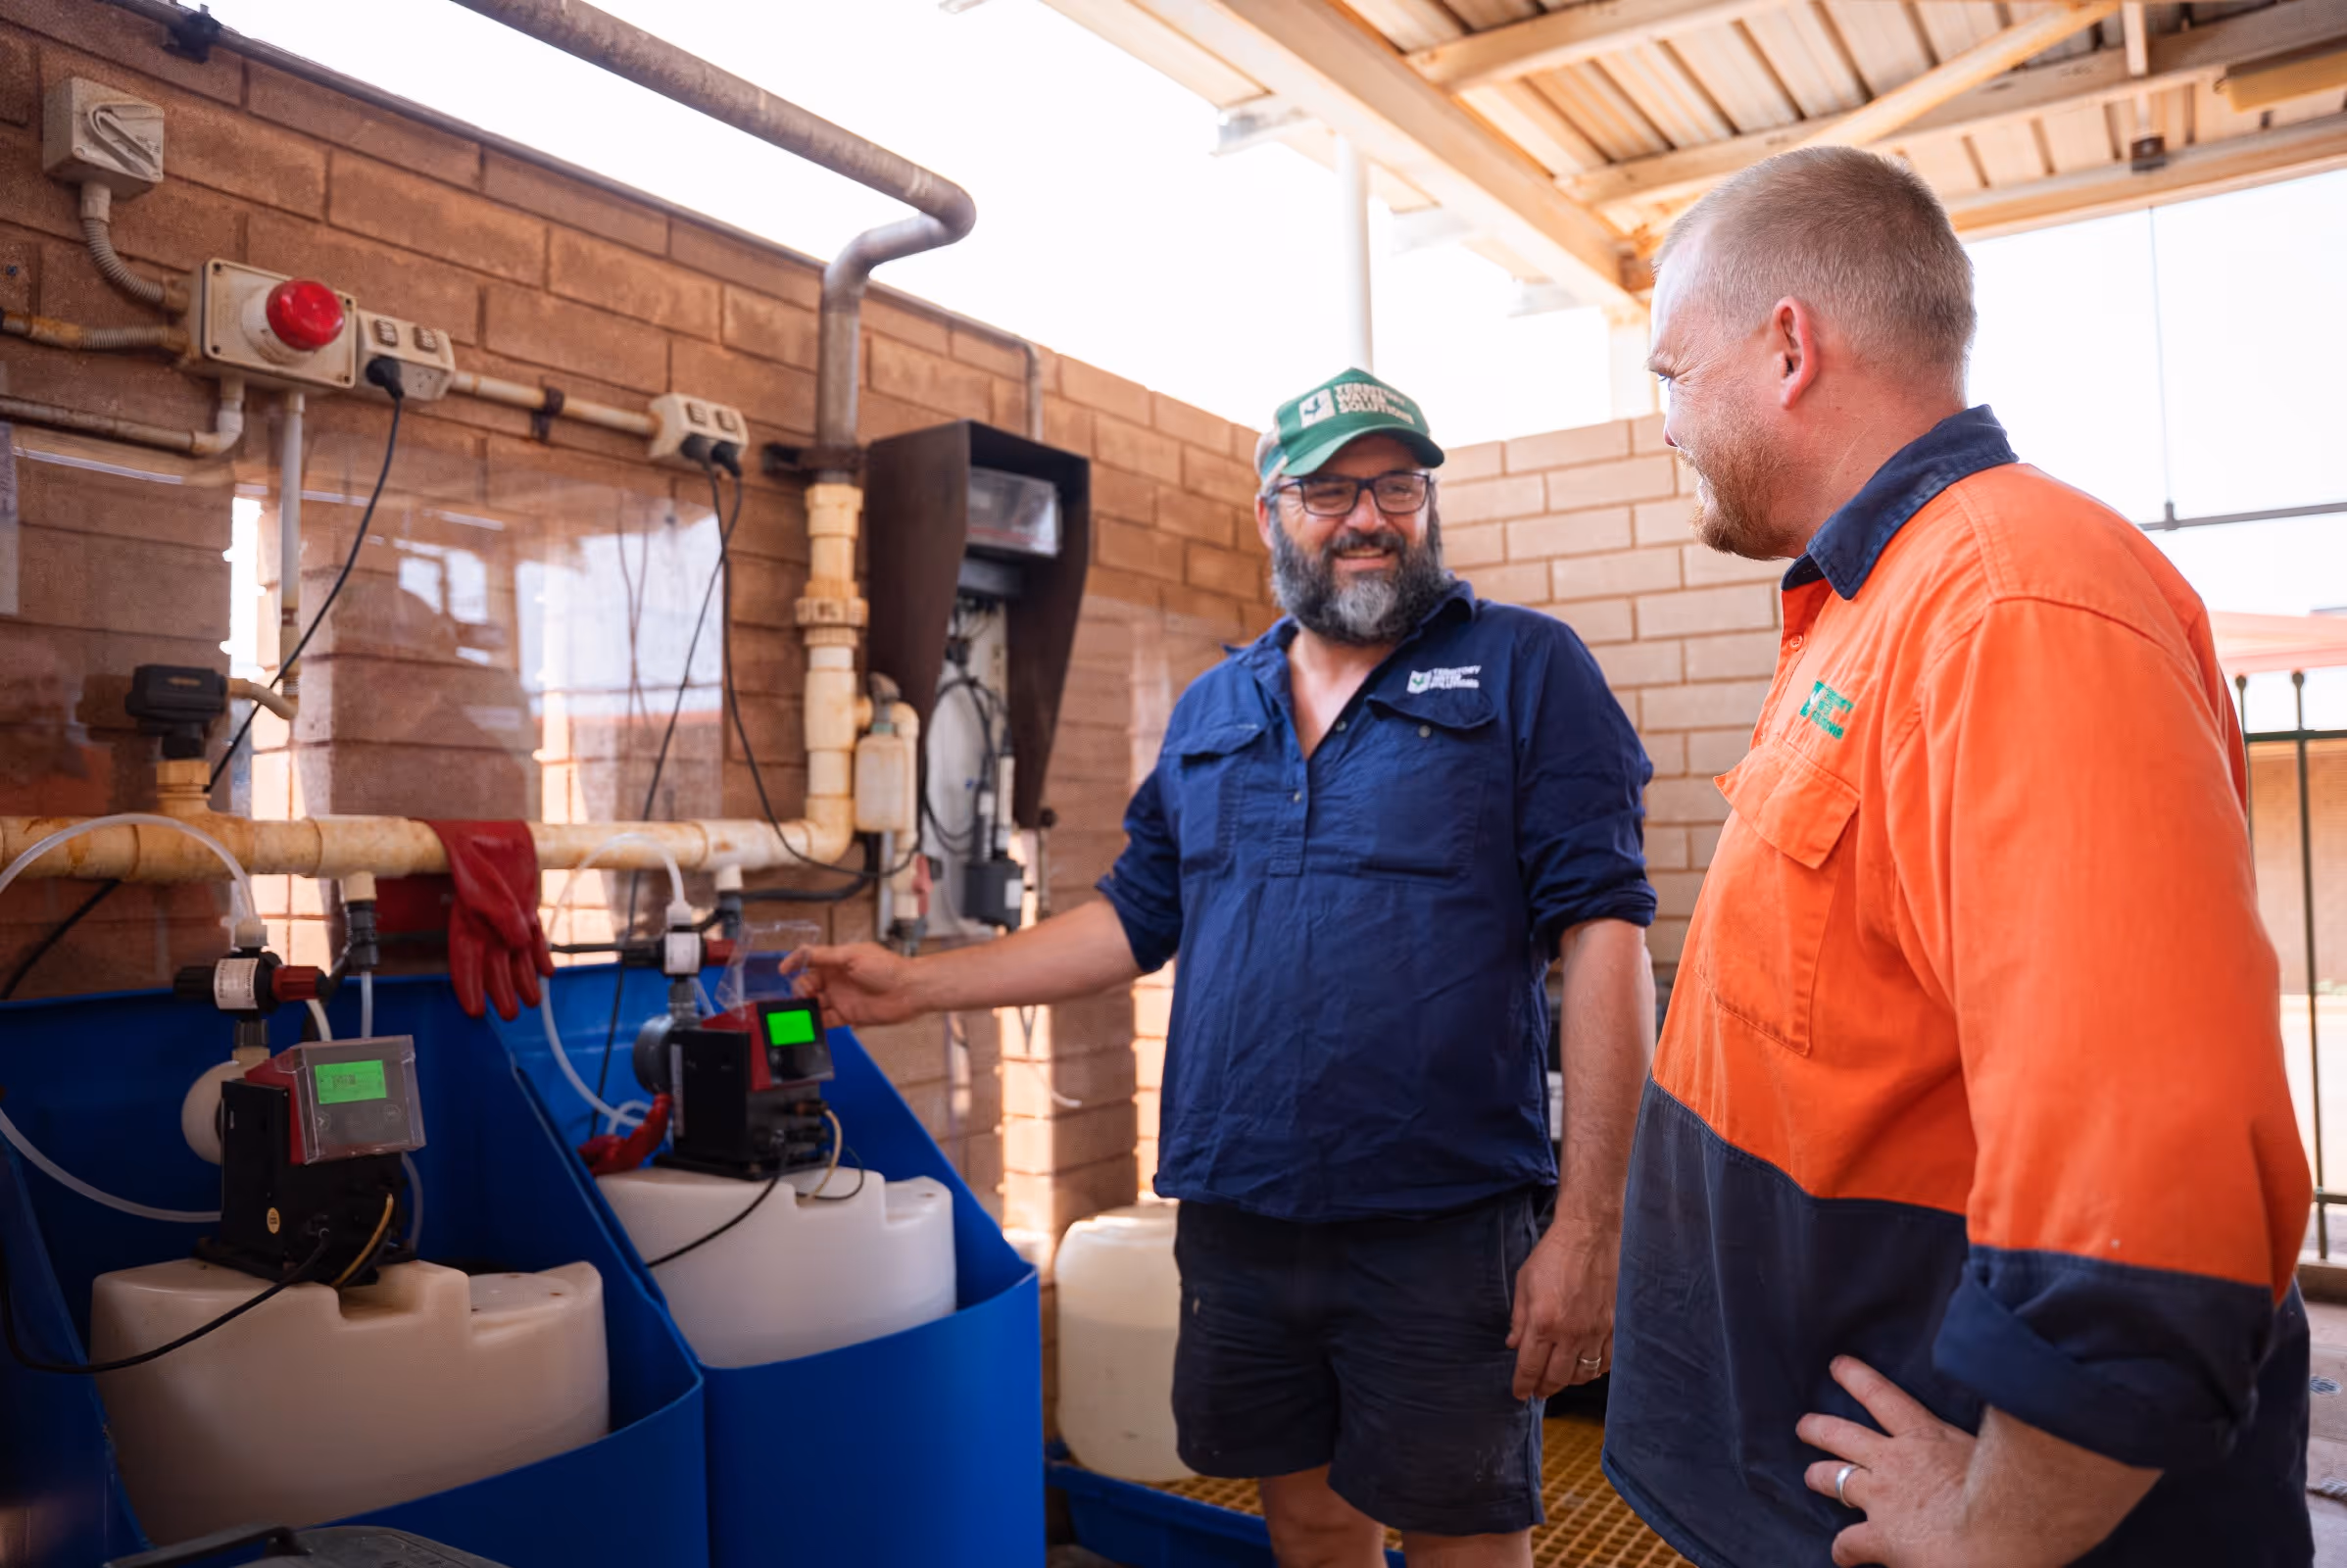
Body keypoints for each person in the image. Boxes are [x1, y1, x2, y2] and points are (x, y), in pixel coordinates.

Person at [800, 367, 1658, 1567]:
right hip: (1241, 1207)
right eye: (1327, 489)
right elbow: (1132, 916)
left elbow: (1606, 935)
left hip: (1442, 1217)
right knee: (1305, 1522)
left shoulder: (1524, 667)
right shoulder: (1214, 708)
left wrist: (1592, 1223)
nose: (1367, 515)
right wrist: (917, 982)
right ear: (1270, 514)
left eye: (1396, 484)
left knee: (1465, 1538)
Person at [1601, 145, 2313, 1568]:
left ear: (1786, 347)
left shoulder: (2009, 600)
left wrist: (1994, 1532)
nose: (1663, 422)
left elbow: (2146, 1179)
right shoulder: (1885, 602)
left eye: (1669, 375)